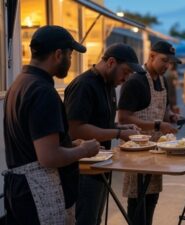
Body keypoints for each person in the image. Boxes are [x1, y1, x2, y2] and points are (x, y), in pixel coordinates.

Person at [3, 25, 100, 225]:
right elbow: (49, 157)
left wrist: (70, 145)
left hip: (21, 191)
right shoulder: (42, 91)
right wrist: (84, 150)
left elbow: (31, 145)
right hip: (39, 192)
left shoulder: (20, 83)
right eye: (70, 54)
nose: (71, 60)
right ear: (58, 54)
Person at [64, 43, 142, 225]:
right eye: (126, 71)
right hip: (83, 169)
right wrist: (117, 133)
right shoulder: (83, 85)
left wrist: (122, 128)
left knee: (95, 220)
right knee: (86, 220)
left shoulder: (108, 85)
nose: (127, 77)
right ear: (111, 62)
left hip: (101, 163)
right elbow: (75, 129)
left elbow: (99, 124)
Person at [118, 40, 181, 225]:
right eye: (164, 60)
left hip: (156, 150)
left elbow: (164, 107)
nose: (167, 66)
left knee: (152, 196)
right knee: (137, 200)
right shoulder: (135, 81)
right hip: (136, 150)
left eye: (170, 62)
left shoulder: (163, 80)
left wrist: (171, 116)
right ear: (151, 56)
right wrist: (156, 125)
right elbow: (123, 118)